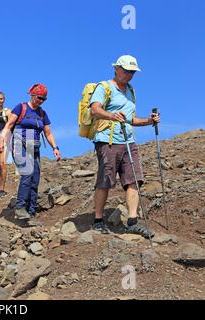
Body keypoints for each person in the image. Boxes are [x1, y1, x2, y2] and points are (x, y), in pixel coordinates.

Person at [89, 55, 160, 238]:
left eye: (133, 72)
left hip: (129, 140)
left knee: (134, 179)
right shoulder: (104, 87)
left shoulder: (131, 90)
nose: (130, 75)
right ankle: (98, 220)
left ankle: (132, 221)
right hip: (108, 140)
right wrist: (112, 116)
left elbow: (131, 119)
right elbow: (94, 109)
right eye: (127, 71)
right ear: (117, 69)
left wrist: (148, 121)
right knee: (105, 180)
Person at [0, 84, 61, 226]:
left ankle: (31, 213)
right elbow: (9, 125)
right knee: (27, 173)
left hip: (34, 149)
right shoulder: (20, 107)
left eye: (43, 99)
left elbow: (48, 132)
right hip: (19, 145)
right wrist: (1, 141)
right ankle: (20, 207)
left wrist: (55, 147)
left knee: (35, 180)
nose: (41, 101)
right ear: (32, 95)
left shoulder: (42, 114)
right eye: (39, 98)